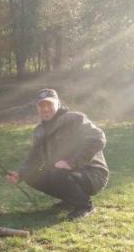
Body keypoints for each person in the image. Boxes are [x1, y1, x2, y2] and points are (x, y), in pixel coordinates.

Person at [7, 89, 109, 220]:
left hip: (92, 174)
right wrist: (19, 174)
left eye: (49, 104)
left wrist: (72, 162)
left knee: (57, 171)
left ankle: (85, 206)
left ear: (58, 104)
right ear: (37, 108)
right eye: (41, 105)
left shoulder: (75, 118)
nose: (45, 109)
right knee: (31, 175)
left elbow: (98, 138)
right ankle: (70, 200)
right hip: (62, 173)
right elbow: (34, 158)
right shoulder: (39, 130)